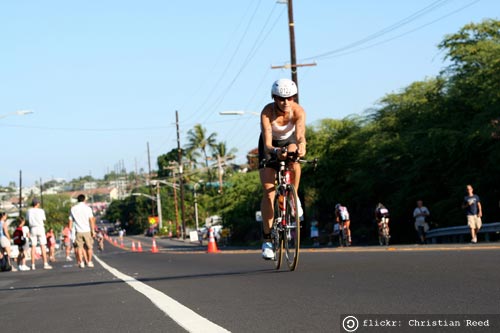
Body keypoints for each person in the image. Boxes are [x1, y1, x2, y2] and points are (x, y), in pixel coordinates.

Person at [259, 78, 306, 260]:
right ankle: (268, 240)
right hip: (270, 146)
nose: (285, 102)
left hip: (289, 141)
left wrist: (301, 147)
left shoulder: (298, 111)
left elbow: (300, 135)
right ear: (274, 98)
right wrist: (276, 152)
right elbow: (268, 143)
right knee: (269, 193)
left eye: (290, 98)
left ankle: (294, 198)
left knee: (295, 157)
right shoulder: (267, 112)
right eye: (281, 98)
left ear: (294, 98)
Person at [69, 194, 96, 268]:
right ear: (84, 200)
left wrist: (71, 230)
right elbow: (91, 220)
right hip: (87, 230)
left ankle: (81, 262)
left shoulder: (73, 209)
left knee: (79, 248)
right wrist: (93, 230)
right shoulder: (88, 208)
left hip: (78, 231)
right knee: (89, 247)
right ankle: (89, 262)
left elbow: (70, 221)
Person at [26, 198, 52, 270]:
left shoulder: (29, 210)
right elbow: (44, 219)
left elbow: (27, 219)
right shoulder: (41, 211)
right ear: (37, 203)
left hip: (33, 228)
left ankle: (33, 264)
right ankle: (45, 263)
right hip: (40, 227)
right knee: (42, 246)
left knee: (33, 246)